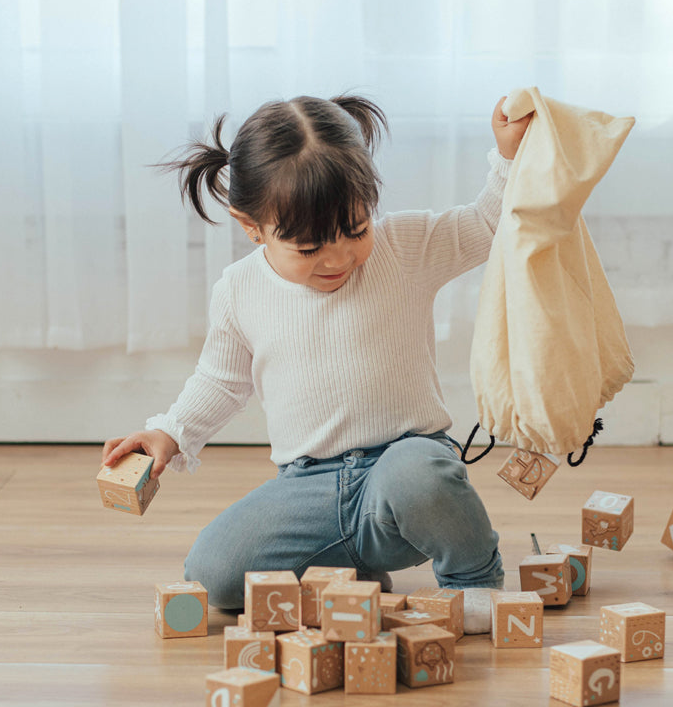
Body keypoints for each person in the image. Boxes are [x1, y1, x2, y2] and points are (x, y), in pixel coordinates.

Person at [102, 94, 531, 632]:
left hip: (402, 471)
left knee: (421, 473)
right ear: (252, 226)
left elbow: (487, 223)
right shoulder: (239, 289)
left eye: (357, 230)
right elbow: (220, 380)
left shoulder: (404, 246)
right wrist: (169, 432)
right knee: (212, 573)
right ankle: (348, 574)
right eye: (308, 248)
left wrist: (508, 157)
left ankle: (472, 579)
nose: (339, 258)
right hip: (308, 487)